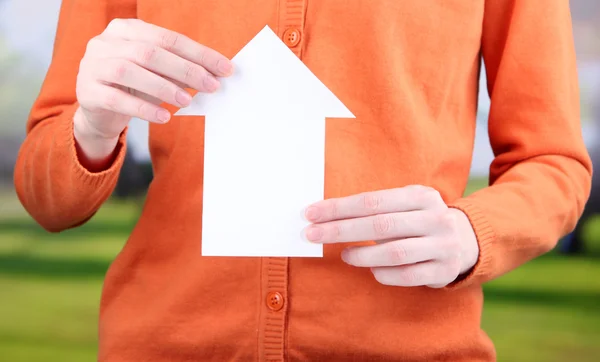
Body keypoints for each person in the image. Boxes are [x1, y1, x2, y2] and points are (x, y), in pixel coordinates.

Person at [13, 1, 592, 361]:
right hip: (163, 345)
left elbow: (553, 163)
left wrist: (474, 232)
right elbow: (49, 201)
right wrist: (92, 124)